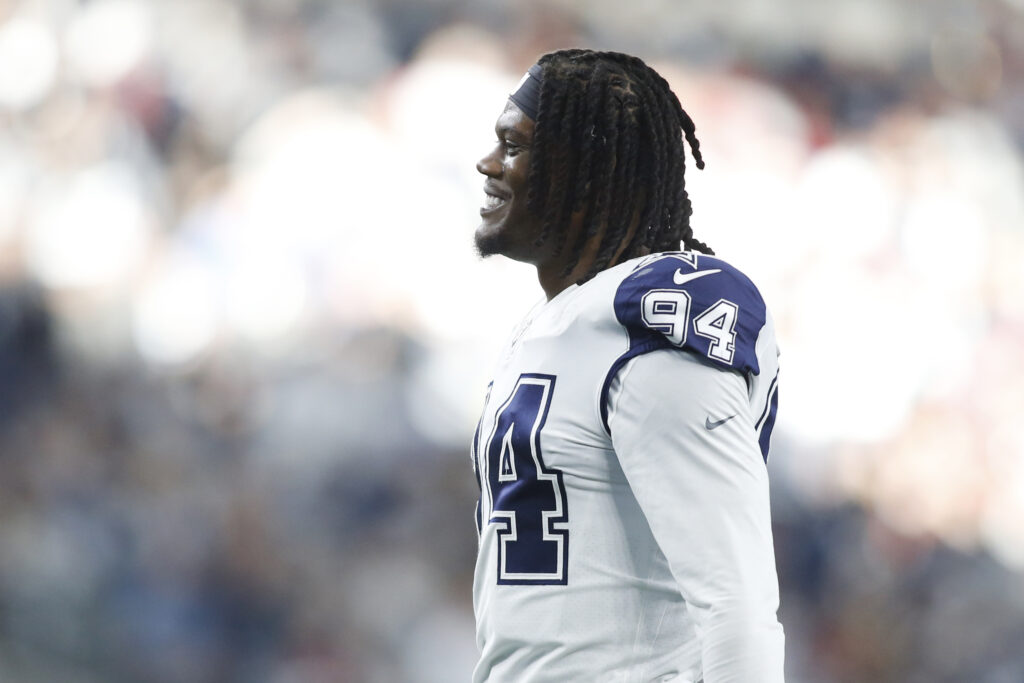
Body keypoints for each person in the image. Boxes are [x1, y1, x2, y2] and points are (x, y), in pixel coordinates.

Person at [470, 49, 784, 682]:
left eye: (514, 146)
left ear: (576, 175)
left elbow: (738, 604)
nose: (488, 164)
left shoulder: (650, 331)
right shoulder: (554, 326)